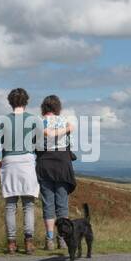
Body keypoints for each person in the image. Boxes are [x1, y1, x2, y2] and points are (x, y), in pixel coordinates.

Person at [0, 88, 41, 254]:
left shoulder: (3, 120)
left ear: (10, 102)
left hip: (9, 161)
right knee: (28, 205)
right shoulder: (33, 119)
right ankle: (29, 243)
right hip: (27, 161)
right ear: (26, 101)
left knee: (10, 205)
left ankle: (11, 243)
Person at [35, 94, 77, 252]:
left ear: (43, 108)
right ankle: (63, 238)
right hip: (62, 163)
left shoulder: (37, 122)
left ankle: (49, 239)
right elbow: (71, 136)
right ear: (57, 107)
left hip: (44, 163)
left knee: (48, 203)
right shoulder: (64, 121)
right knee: (62, 203)